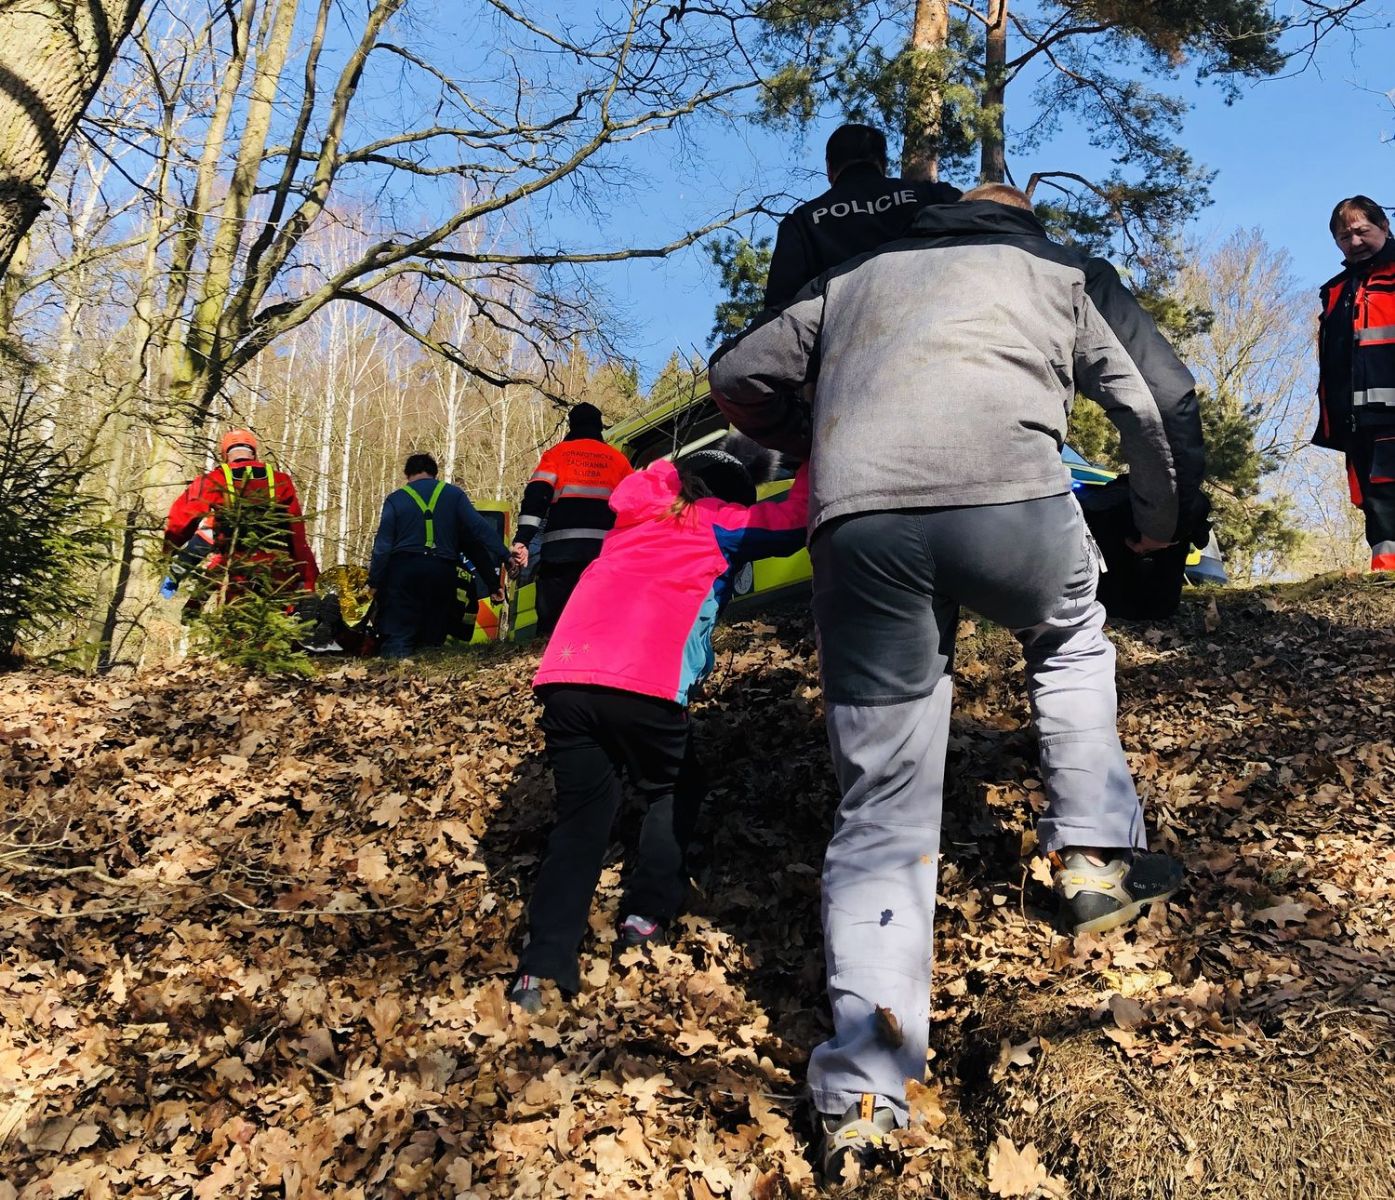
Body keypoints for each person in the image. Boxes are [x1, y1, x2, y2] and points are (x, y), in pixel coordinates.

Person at [709, 183, 1206, 1175]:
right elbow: (1160, 401)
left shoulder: (853, 277)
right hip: (1013, 508)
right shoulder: (1059, 269)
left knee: (881, 803)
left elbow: (736, 373)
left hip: (863, 525)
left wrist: (814, 437)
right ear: (1021, 217)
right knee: (1068, 640)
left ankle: (866, 1095)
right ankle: (1095, 861)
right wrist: (1161, 521)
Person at [508, 449, 810, 1013]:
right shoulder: (717, 521)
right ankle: (645, 915)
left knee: (580, 821)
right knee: (674, 786)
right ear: (725, 495)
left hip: (566, 677)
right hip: (644, 681)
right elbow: (794, 521)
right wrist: (810, 452)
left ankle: (541, 968)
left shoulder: (630, 519)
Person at [762, 123, 961, 312]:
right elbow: (974, 227)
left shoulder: (802, 222)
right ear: (883, 164)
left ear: (829, 169)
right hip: (933, 317)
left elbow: (779, 308)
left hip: (840, 330)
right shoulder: (931, 194)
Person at [1315, 195, 1395, 571]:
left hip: (1389, 409)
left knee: (1387, 487)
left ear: (1384, 227)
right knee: (1370, 493)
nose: (1355, 242)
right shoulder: (1336, 291)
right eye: (1345, 237)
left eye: (1362, 231)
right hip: (1354, 417)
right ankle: (1385, 572)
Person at [368, 453, 509, 660]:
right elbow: (477, 534)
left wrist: (374, 582)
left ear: (407, 475)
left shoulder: (395, 499)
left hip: (403, 573)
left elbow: (382, 547)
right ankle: (427, 674)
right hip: (442, 573)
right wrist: (503, 562)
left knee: (399, 635)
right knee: (433, 636)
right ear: (435, 474)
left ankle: (396, 670)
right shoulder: (454, 495)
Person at [511, 402, 633, 638]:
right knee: (598, 624)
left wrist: (523, 539)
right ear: (599, 426)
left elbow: (537, 497)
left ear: (571, 425)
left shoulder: (556, 455)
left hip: (560, 554)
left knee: (554, 625)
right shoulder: (618, 460)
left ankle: (549, 655)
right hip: (603, 555)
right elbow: (635, 504)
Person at [164, 428, 318, 600]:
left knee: (236, 610)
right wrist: (308, 580)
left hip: (238, 572)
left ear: (225, 455)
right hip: (279, 572)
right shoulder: (281, 480)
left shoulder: (214, 480)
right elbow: (297, 535)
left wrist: (166, 552)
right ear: (253, 453)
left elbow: (182, 520)